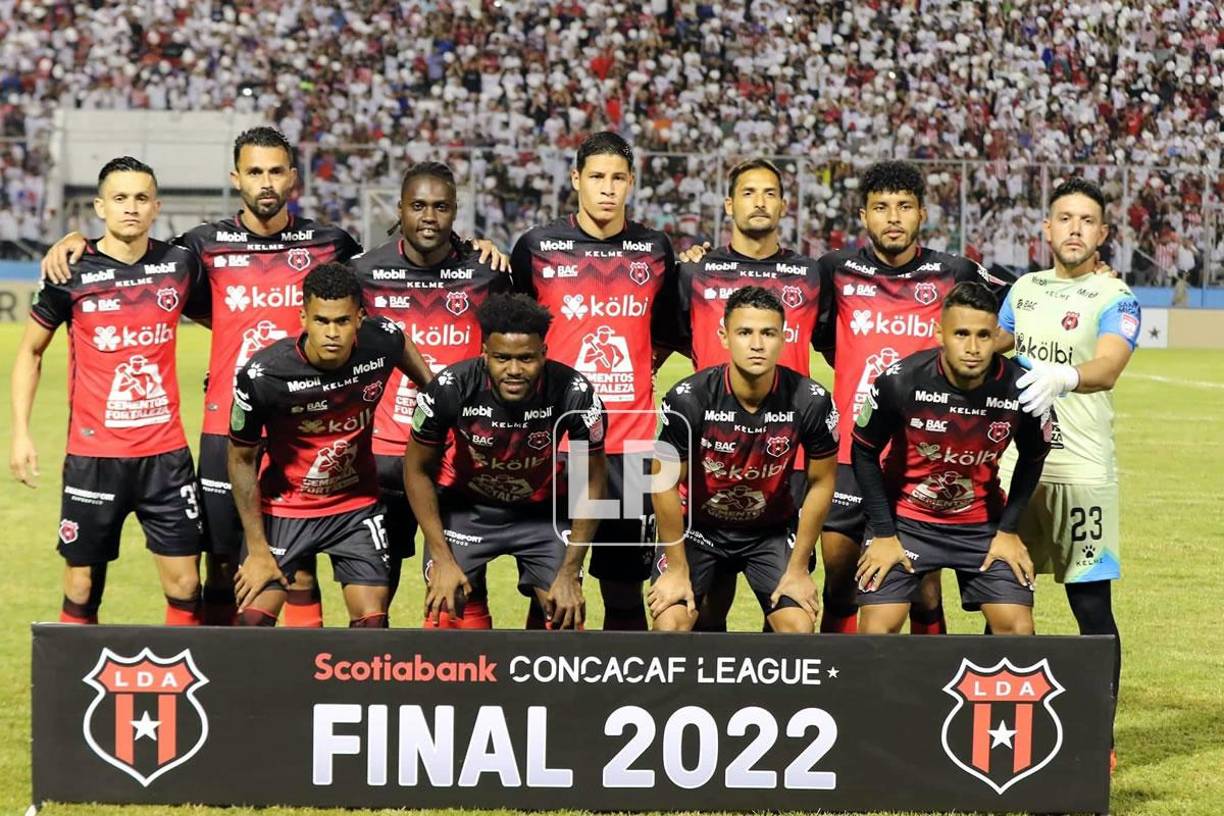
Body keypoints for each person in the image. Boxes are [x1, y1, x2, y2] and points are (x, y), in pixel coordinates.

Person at [40, 128, 510, 627]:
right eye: (255, 171)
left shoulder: (332, 245)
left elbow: (395, 268)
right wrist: (80, 241)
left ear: (293, 177)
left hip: (309, 428)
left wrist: (471, 245)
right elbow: (137, 252)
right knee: (224, 563)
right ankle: (218, 678)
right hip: (229, 428)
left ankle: (309, 676)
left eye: (275, 170)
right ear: (236, 178)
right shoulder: (200, 246)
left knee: (303, 564)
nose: (266, 181)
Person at [817, 160, 1012, 635]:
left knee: (922, 581)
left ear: (922, 213)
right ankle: (837, 682)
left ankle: (930, 685)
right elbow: (820, 332)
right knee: (840, 572)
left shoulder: (955, 270)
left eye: (904, 207)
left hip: (926, 454)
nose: (893, 218)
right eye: (881, 208)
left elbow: (1014, 310)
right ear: (863, 215)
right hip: (853, 447)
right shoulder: (835, 270)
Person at [10, 156, 205, 625]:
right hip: (93, 459)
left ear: (156, 207)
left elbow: (225, 320)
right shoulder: (70, 271)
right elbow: (30, 353)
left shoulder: (179, 265)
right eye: (119, 198)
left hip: (166, 457)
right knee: (80, 583)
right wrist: (20, 433)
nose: (131, 208)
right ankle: (73, 694)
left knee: (185, 584)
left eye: (141, 198)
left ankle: (180, 695)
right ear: (100, 206)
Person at [996, 177, 1141, 772]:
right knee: (1001, 601)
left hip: (1081, 471)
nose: (1075, 228)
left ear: (1102, 234)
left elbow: (1108, 366)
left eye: (1087, 220)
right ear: (1047, 229)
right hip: (1014, 470)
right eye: (1065, 218)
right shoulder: (1024, 290)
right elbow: (982, 343)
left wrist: (1064, 377)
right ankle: (995, 727)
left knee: (1090, 607)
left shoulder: (1117, 295)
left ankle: (1096, 735)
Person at [511, 131, 684, 631]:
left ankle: (618, 698)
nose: (607, 189)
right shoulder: (538, 248)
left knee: (624, 590)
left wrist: (640, 367)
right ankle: (544, 701)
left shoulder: (654, 249)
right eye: (596, 177)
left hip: (629, 447)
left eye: (617, 178)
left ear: (631, 183)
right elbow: (515, 328)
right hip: (558, 446)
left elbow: (668, 328)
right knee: (551, 588)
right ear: (575, 180)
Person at [227, 262, 432, 627]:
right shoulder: (263, 376)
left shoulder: (380, 340)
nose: (332, 333)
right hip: (284, 510)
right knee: (251, 626)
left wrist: (435, 393)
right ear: (304, 317)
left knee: (372, 624)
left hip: (356, 508)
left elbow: (401, 344)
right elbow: (241, 459)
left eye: (342, 321)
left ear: (360, 319)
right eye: (321, 321)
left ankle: (353, 686)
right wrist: (257, 550)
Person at [676, 158, 829, 630]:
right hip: (711, 452)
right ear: (729, 204)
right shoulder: (694, 273)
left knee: (786, 600)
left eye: (769, 193)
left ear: (784, 205)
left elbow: (835, 339)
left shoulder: (812, 273)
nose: (759, 202)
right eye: (748, 193)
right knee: (706, 606)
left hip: (788, 457)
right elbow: (665, 337)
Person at [852, 281, 1053, 635]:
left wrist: (1008, 530)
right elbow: (864, 449)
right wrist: (883, 533)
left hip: (981, 526)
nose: (973, 348)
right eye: (961, 334)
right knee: (875, 632)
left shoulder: (1022, 389)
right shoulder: (900, 382)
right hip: (905, 523)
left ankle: (989, 691)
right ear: (939, 333)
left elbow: (1034, 455)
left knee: (1018, 631)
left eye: (983, 336)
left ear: (997, 337)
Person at [351, 161, 512, 601]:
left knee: (456, 595)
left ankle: (452, 671)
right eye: (418, 205)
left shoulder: (487, 274)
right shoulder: (363, 274)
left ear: (455, 211)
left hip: (457, 458)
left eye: (440, 207)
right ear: (400, 209)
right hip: (384, 456)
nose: (429, 216)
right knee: (372, 596)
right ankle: (369, 669)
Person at [403, 293, 607, 630]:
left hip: (542, 515)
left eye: (526, 358)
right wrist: (441, 558)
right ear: (484, 354)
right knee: (445, 612)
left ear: (544, 353)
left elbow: (594, 481)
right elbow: (417, 470)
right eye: (501, 358)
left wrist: (570, 571)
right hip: (468, 511)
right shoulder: (449, 389)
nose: (514, 370)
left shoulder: (575, 394)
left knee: (565, 617)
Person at [647, 287, 838, 633]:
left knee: (797, 628)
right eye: (744, 332)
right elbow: (663, 483)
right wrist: (676, 569)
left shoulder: (811, 401)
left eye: (768, 333)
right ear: (724, 337)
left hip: (770, 532)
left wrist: (797, 570)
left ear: (784, 337)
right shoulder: (689, 399)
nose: (757, 344)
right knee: (670, 626)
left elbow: (822, 482)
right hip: (698, 530)